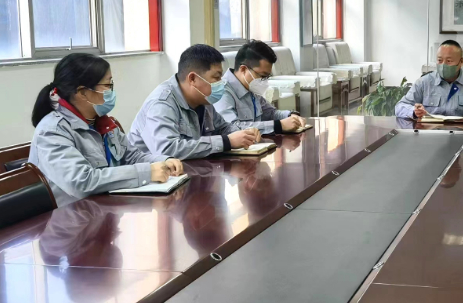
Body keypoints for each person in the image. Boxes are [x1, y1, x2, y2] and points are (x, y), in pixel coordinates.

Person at [29, 53, 184, 207]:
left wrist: (163, 161)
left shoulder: (102, 122)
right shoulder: (52, 131)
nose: (111, 92)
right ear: (83, 92)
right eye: (108, 85)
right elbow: (82, 182)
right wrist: (147, 172)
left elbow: (131, 157)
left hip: (106, 208)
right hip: (72, 217)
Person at [129, 44, 259, 160]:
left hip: (193, 170)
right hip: (157, 176)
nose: (222, 83)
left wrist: (246, 133)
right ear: (192, 79)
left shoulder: (204, 99)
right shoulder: (162, 104)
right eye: (216, 77)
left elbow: (222, 128)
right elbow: (167, 150)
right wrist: (226, 142)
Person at [395, 40, 463, 121]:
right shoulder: (424, 82)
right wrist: (414, 112)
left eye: (449, 61)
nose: (443, 65)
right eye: (440, 60)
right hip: (432, 135)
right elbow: (400, 107)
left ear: (461, 62)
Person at [214, 40, 306, 135]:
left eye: (267, 77)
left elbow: (271, 113)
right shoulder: (222, 91)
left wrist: (291, 116)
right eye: (262, 76)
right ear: (243, 69)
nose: (264, 81)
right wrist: (278, 125)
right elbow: (231, 128)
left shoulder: (250, 87)